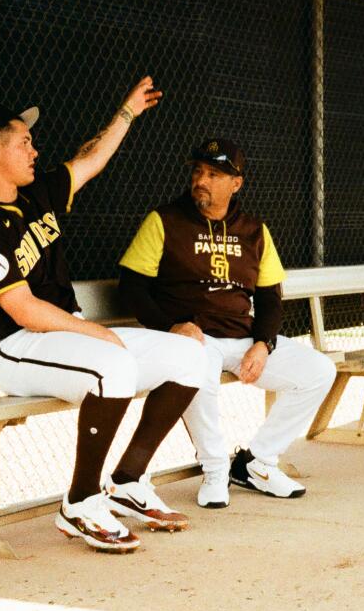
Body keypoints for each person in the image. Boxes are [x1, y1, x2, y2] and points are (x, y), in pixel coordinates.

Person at [0, 78, 205, 553]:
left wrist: (127, 113)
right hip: (17, 348)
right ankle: (81, 501)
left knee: (191, 356)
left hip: (63, 335)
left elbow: (92, 159)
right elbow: (22, 309)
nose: (33, 149)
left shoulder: (36, 195)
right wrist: (94, 331)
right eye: (23, 142)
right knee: (113, 364)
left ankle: (128, 481)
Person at [118, 139, 337, 508]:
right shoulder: (165, 220)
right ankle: (216, 467)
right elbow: (132, 287)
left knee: (319, 370)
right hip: (193, 337)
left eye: (214, 174)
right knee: (194, 364)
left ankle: (258, 463)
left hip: (241, 337)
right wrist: (172, 325)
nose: (201, 180)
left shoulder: (254, 230)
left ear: (236, 183)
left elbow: (269, 296)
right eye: (198, 171)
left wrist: (263, 343)